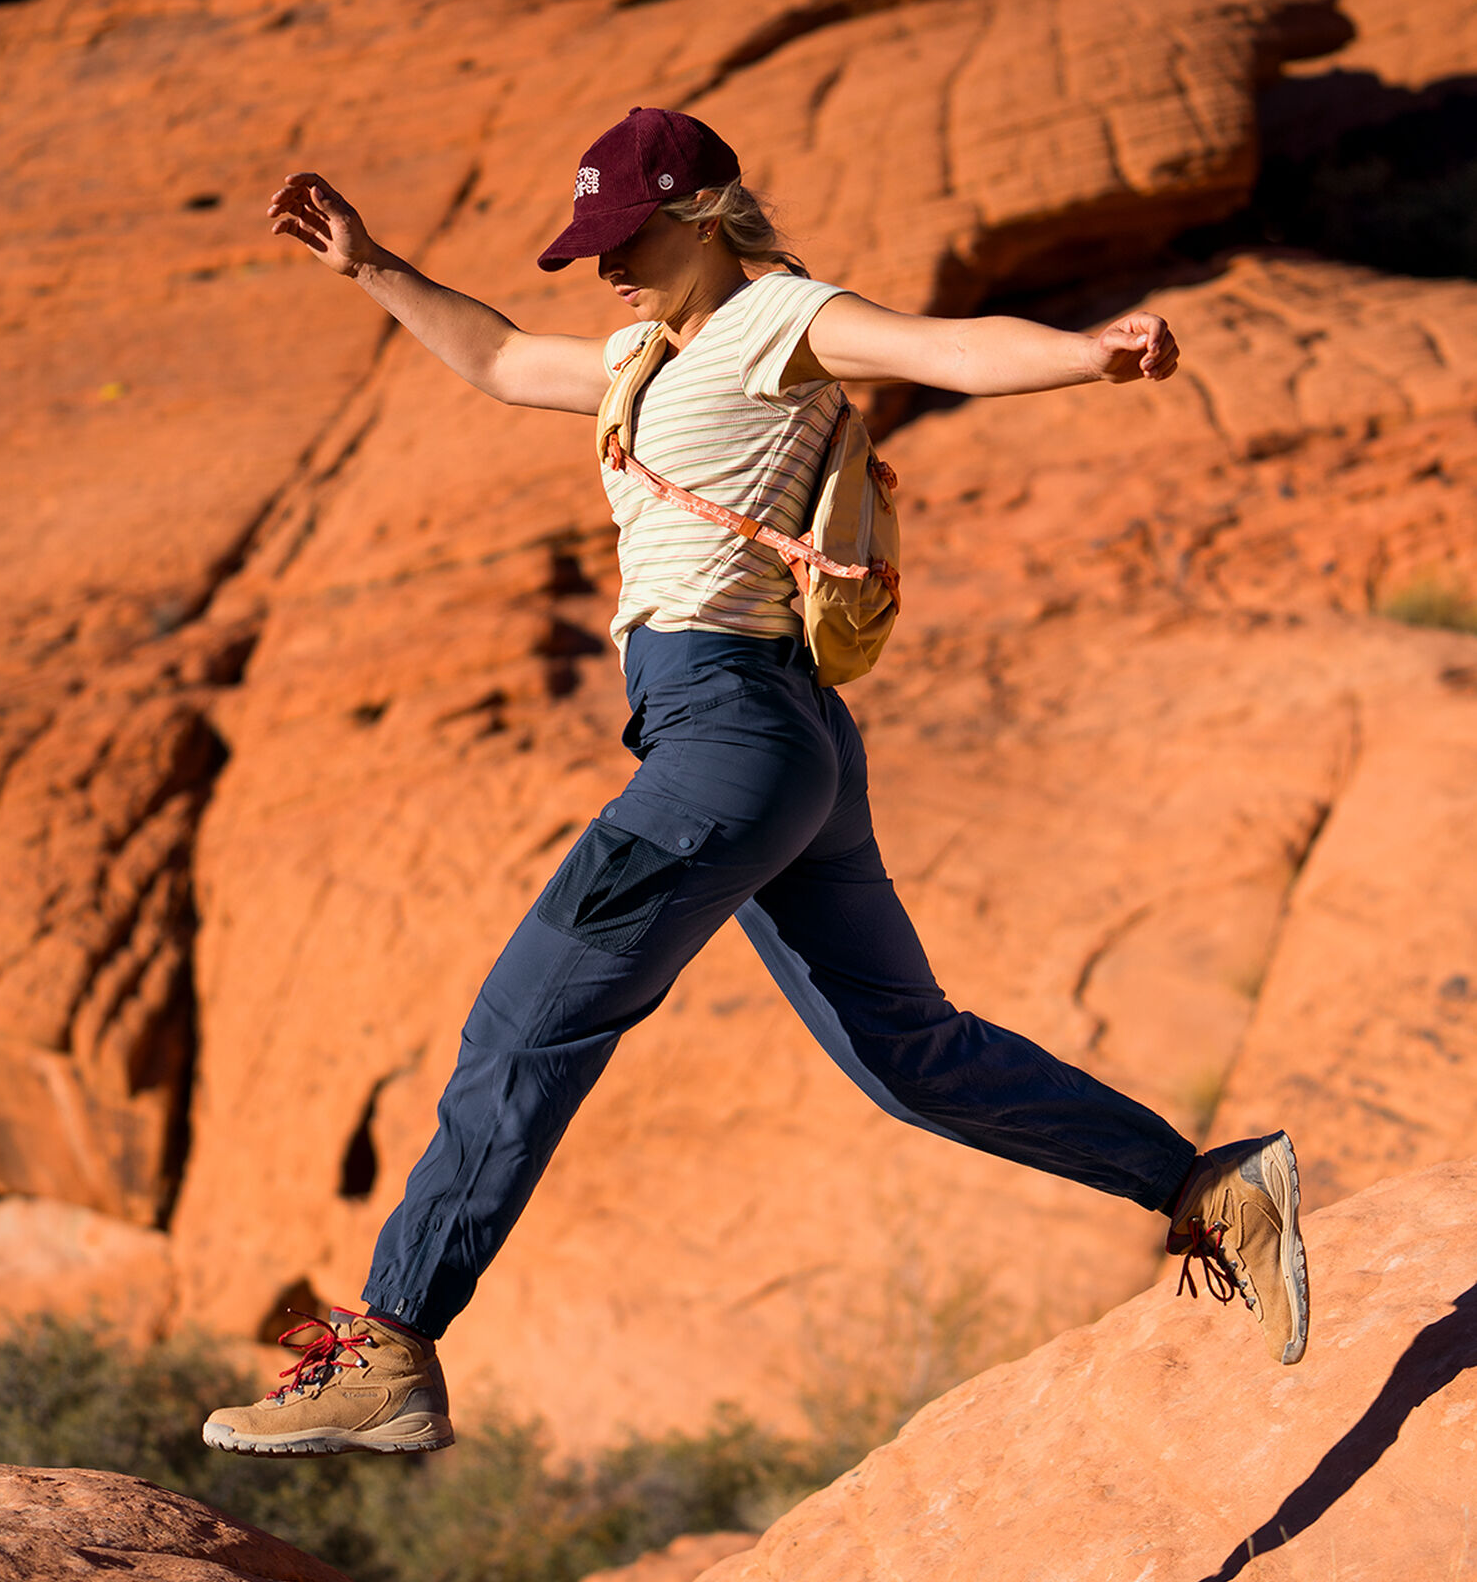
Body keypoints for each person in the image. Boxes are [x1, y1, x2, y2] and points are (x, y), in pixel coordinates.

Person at [203, 107, 1309, 1459]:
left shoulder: (780, 318)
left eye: (628, 237)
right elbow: (496, 357)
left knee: (526, 1025)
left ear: (704, 214)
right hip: (781, 747)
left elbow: (946, 348)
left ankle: (389, 1345)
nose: (609, 266)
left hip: (726, 735)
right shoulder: (640, 356)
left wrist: (1090, 354)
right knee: (909, 1055)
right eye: (593, 246)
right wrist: (372, 266)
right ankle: (1210, 1186)